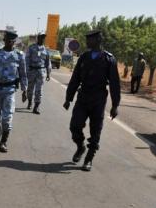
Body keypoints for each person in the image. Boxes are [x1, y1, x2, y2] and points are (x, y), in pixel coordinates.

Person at [63, 30, 121, 171]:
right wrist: (68, 98)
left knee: (95, 131)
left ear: (98, 40)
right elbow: (75, 78)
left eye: (90, 39)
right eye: (87, 39)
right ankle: (81, 147)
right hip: (83, 97)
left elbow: (114, 84)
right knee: (74, 126)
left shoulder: (109, 59)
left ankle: (88, 159)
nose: (87, 42)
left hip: (98, 99)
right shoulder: (84, 57)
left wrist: (115, 105)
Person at [25, 33, 51, 114]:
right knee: (30, 89)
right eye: (41, 38)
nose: (42, 40)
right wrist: (26, 71)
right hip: (32, 71)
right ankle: (29, 102)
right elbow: (27, 59)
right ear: (38, 39)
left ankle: (36, 107)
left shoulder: (46, 50)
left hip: (41, 72)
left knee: (39, 90)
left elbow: (48, 62)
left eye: (43, 38)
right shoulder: (31, 47)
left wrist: (48, 73)